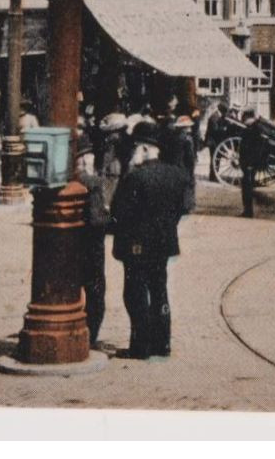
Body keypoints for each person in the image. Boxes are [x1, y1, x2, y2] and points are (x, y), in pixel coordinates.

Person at [109, 136, 192, 359]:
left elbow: (119, 212)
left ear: (145, 148)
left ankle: (140, 346)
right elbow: (184, 207)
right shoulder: (177, 175)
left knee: (135, 293)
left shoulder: (135, 177)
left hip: (137, 245)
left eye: (136, 148)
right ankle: (162, 343)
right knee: (159, 290)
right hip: (164, 243)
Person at [73, 136, 110, 348]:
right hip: (92, 248)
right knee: (96, 294)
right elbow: (97, 220)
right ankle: (90, 337)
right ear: (86, 159)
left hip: (69, 247)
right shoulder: (94, 184)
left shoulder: (69, 180)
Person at [238, 113, 269, 219]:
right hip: (249, 163)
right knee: (247, 187)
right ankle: (247, 209)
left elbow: (255, 149)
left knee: (247, 188)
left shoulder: (253, 130)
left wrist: (250, 163)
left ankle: (248, 211)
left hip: (249, 163)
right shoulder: (255, 129)